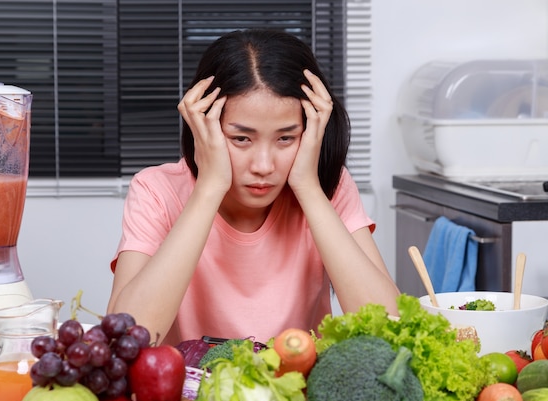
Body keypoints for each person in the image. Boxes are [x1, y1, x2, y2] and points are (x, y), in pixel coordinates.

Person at [107, 28, 400, 346]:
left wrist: (309, 189)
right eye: (241, 139)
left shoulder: (330, 188)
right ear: (204, 124)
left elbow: (391, 329)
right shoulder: (155, 190)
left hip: (297, 393)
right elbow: (125, 339)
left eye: (286, 138)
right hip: (187, 395)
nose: (263, 165)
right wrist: (209, 188)